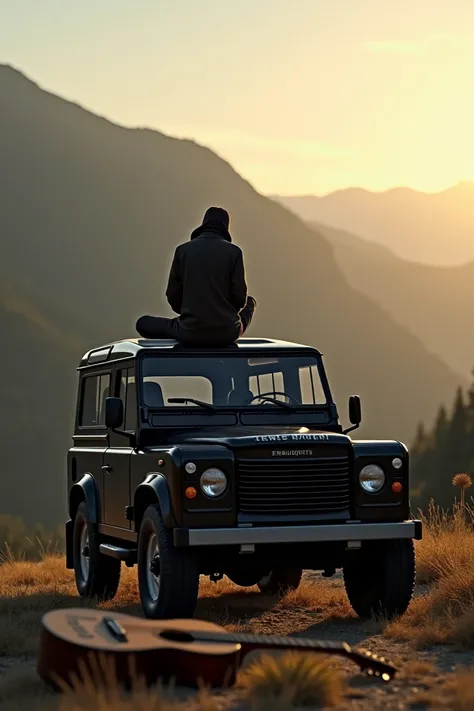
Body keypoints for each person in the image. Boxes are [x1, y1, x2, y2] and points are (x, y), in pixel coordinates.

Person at [136, 207, 256, 346]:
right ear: (225, 227)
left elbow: (173, 295)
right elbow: (240, 299)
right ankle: (252, 304)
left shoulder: (182, 251)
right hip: (227, 333)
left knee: (143, 323)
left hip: (189, 331)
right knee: (250, 303)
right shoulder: (234, 252)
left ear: (204, 224)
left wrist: (191, 313)